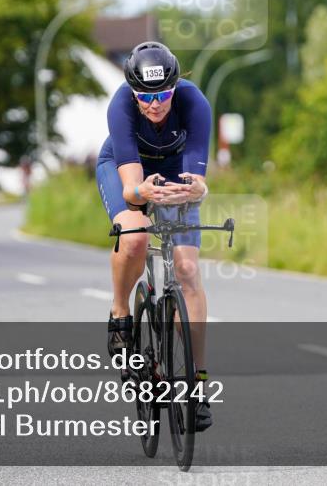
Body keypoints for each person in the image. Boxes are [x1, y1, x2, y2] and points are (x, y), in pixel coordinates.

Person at [96, 41, 213, 430]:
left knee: (187, 269)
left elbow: (198, 178)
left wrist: (198, 189)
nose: (155, 104)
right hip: (127, 171)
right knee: (135, 236)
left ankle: (196, 384)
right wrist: (142, 194)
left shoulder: (194, 103)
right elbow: (131, 190)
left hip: (175, 171)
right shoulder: (121, 106)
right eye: (145, 96)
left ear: (175, 86)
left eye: (163, 94)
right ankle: (119, 311)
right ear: (133, 93)